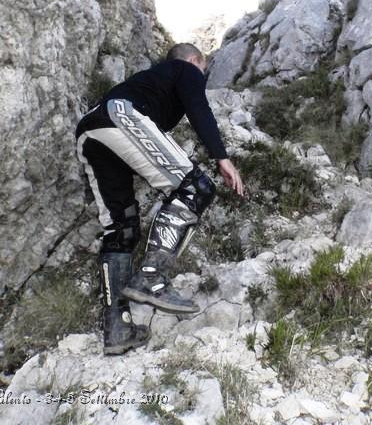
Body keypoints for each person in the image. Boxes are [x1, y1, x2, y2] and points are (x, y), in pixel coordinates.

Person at [75, 43, 245, 356]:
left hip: (90, 130)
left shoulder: (153, 82)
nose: (202, 76)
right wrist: (222, 157)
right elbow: (198, 107)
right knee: (196, 188)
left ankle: (117, 330)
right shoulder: (186, 69)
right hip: (121, 116)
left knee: (121, 230)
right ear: (196, 61)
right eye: (203, 69)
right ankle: (151, 277)